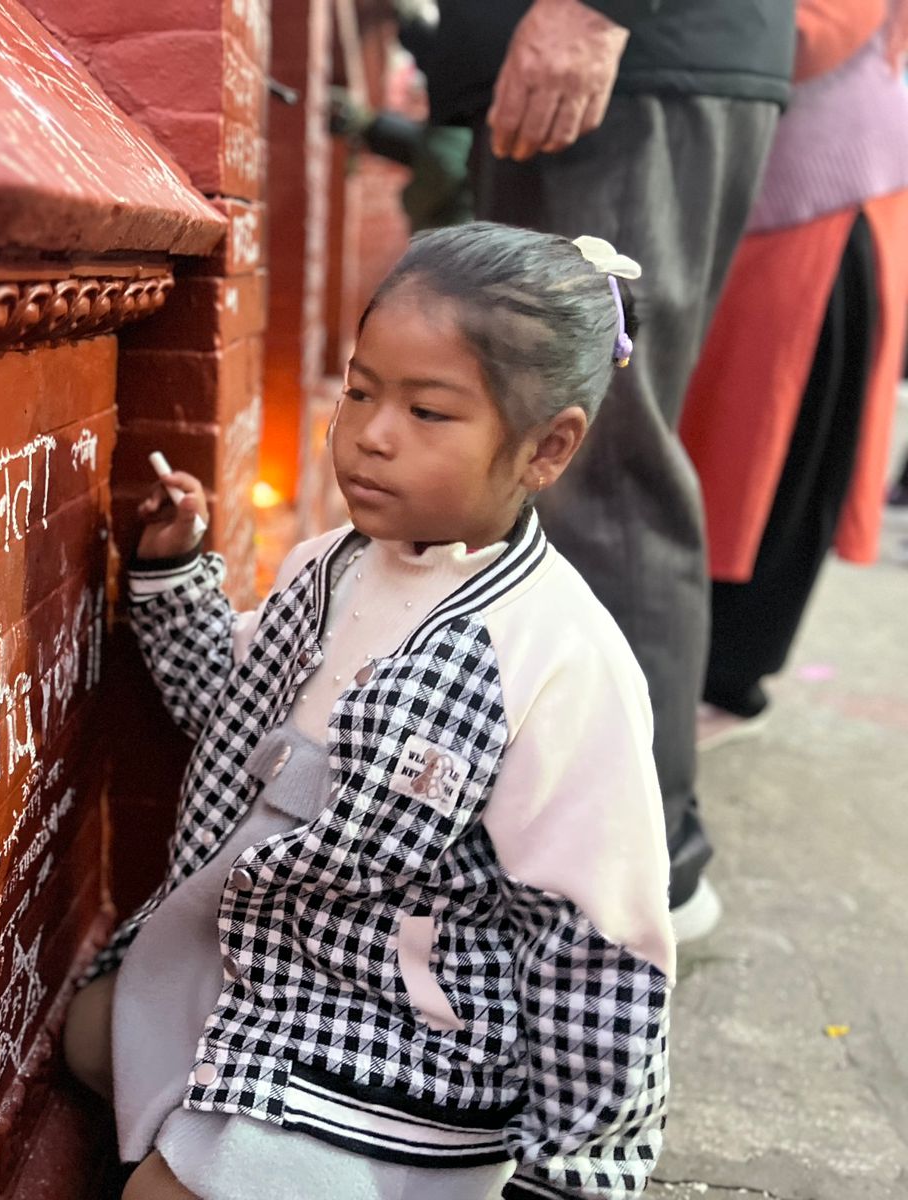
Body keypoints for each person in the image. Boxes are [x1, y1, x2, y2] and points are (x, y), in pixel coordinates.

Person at [64, 224, 675, 1200]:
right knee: (91, 1037)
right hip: (262, 959)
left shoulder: (554, 653)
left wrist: (571, 1174)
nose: (369, 435)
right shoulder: (330, 567)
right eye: (358, 390)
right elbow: (226, 711)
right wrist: (173, 573)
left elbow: (598, 945)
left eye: (428, 412)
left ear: (547, 446)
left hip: (393, 1037)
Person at [421, 0, 798, 935]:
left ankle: (642, 877)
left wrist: (595, 12)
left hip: (624, 65)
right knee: (564, 463)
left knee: (597, 472)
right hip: (609, 69)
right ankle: (606, 849)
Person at [680, 0, 908, 747]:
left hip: (825, 199)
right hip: (784, 194)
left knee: (783, 455)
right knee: (739, 442)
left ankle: (728, 680)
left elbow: (810, 31)